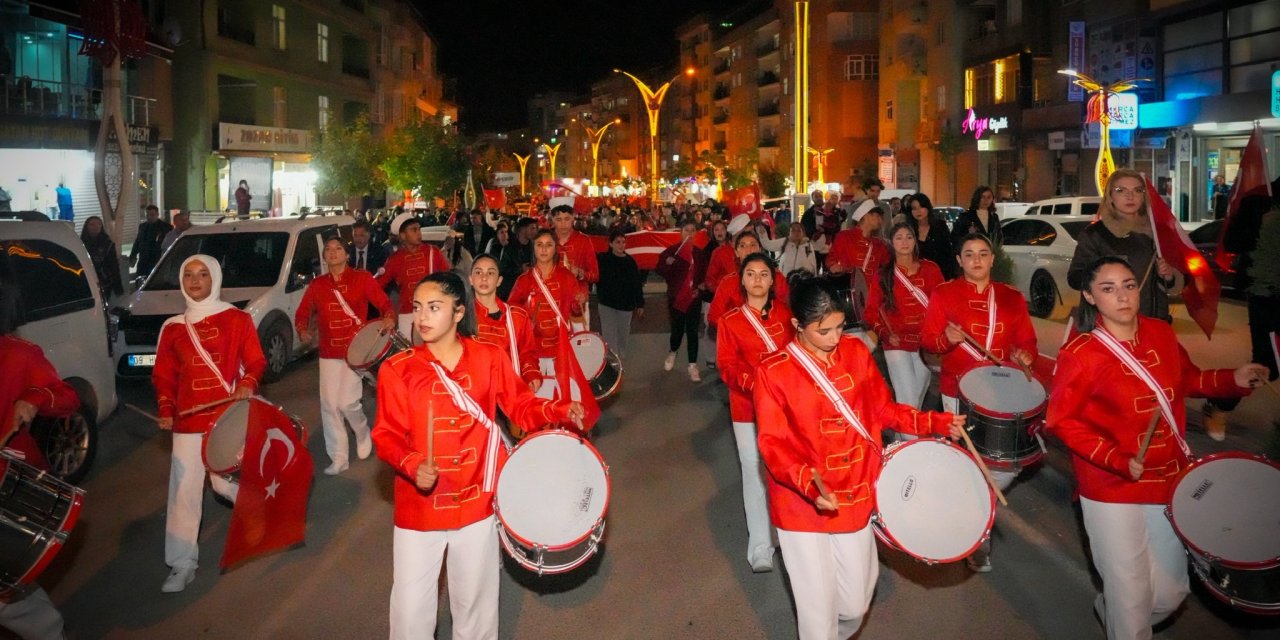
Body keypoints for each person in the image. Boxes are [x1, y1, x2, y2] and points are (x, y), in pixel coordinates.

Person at [1046, 256, 1266, 640]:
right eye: (1108, 288)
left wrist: (1233, 378)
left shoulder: (1160, 333)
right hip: (1110, 489)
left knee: (1170, 591)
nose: (1122, 296)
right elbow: (1061, 421)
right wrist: (1115, 459)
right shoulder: (1080, 354)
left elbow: (1189, 379)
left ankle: (1110, 609)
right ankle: (1122, 618)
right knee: (1131, 599)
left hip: (1167, 478)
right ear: (1090, 296)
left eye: (1129, 285)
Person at [372, 271, 585, 640]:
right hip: (419, 510)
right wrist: (410, 464)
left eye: (434, 308)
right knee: (409, 613)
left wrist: (559, 411)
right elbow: (386, 434)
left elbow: (521, 406)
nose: (422, 317)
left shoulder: (489, 357)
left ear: (458, 312)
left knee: (475, 608)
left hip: (477, 503)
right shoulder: (398, 368)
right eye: (418, 307)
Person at [754, 274, 965, 640]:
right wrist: (807, 481)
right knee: (817, 616)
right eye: (824, 331)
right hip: (801, 505)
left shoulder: (853, 352)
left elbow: (883, 409)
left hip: (855, 492)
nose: (835, 338)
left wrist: (934, 421)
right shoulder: (773, 371)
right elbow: (773, 443)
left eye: (839, 326)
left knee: (854, 605)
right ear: (796, 326)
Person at [920, 233, 1037, 573]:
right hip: (957, 391)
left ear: (992, 258)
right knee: (970, 458)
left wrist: (1023, 354)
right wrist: (947, 339)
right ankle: (978, 541)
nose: (976, 260)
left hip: (999, 393)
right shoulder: (944, 294)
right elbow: (929, 341)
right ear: (958, 260)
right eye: (969, 254)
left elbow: (1025, 340)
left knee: (1006, 465)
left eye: (983, 254)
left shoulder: (1012, 297)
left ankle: (966, 509)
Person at [152, 254, 266, 592]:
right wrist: (165, 407)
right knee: (184, 491)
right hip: (188, 420)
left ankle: (257, 503)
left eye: (203, 274)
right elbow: (163, 375)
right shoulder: (172, 327)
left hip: (225, 417)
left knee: (221, 482)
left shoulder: (237, 319)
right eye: (188, 274)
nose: (195, 280)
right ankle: (181, 563)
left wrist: (248, 383)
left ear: (215, 278)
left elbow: (256, 361)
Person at [716, 252, 794, 573]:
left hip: (785, 407)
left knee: (783, 471)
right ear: (742, 280)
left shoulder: (787, 316)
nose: (758, 280)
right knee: (752, 469)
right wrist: (754, 384)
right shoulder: (729, 321)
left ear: (772, 280)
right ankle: (760, 546)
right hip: (747, 408)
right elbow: (727, 365)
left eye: (764, 274)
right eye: (751, 274)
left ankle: (787, 536)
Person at [295, 236, 395, 475]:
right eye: (328, 250)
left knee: (347, 402)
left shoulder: (362, 279)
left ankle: (361, 432)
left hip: (356, 350)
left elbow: (384, 304)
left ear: (347, 254)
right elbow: (302, 312)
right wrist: (302, 329)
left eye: (338, 248)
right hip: (329, 352)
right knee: (329, 405)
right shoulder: (318, 285)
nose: (332, 253)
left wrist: (389, 316)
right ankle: (338, 457)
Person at [1067, 169, 1182, 324]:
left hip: (1155, 322)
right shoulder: (1096, 234)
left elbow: (1176, 279)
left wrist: (1168, 275)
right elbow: (1075, 277)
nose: (1130, 196)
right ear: (1110, 196)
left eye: (1137, 190)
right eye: (1121, 190)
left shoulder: (1157, 232)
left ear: (1144, 196)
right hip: (1112, 324)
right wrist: (1107, 279)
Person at [866, 223, 944, 412]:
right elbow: (870, 311)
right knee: (907, 401)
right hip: (896, 344)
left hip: (925, 346)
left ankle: (901, 438)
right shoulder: (883, 275)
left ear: (915, 241)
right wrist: (884, 333)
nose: (904, 242)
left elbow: (944, 304)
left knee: (915, 402)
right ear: (891, 243)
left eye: (909, 237)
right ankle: (909, 439)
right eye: (898, 238)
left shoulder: (930, 269)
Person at [507, 229, 584, 399]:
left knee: (566, 400)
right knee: (538, 403)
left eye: (548, 245)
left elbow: (575, 312)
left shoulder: (566, 277)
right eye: (539, 245)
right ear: (533, 248)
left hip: (562, 349)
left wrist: (578, 304)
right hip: (534, 352)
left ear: (555, 248)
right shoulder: (524, 280)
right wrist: (525, 321)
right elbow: (511, 311)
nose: (543, 249)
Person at [468, 254, 541, 389]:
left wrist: (531, 375)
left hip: (509, 393)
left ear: (499, 280)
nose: (484, 277)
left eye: (491, 273)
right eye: (478, 272)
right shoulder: (461, 317)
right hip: (474, 394)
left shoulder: (517, 316)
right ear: (471, 279)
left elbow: (527, 353)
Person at [377, 214, 451, 339]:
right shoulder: (395, 259)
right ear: (402, 236)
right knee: (411, 354)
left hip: (433, 311)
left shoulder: (433, 252)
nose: (419, 233)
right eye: (414, 230)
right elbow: (377, 287)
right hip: (407, 314)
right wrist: (387, 310)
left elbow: (448, 279)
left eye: (419, 229)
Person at [707, 231, 791, 331]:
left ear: (760, 249)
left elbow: (787, 309)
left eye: (753, 244)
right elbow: (714, 315)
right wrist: (737, 329)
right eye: (742, 246)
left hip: (772, 336)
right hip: (738, 338)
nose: (748, 250)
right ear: (736, 252)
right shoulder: (728, 282)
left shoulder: (776, 277)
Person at [655, 220, 703, 382]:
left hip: (694, 299)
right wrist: (668, 264)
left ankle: (692, 364)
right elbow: (659, 269)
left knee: (692, 331)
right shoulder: (672, 252)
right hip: (676, 298)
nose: (689, 233)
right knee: (677, 330)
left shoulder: (699, 253)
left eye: (692, 230)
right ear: (680, 232)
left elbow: (704, 276)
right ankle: (673, 352)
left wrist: (700, 288)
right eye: (686, 230)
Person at [595, 230, 645, 360]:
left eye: (623, 242)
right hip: (607, 304)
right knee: (609, 336)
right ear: (611, 244)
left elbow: (636, 284)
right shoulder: (602, 259)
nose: (621, 245)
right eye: (617, 242)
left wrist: (640, 303)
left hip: (626, 305)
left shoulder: (630, 262)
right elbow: (593, 274)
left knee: (623, 335)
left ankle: (620, 360)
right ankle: (613, 364)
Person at [550, 205, 598, 326]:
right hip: (551, 302)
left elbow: (595, 275)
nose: (563, 224)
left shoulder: (584, 241)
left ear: (573, 218)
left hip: (578, 303)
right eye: (559, 219)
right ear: (552, 220)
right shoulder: (546, 241)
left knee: (580, 342)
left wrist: (581, 273)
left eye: (567, 219)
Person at [825, 206, 888, 281]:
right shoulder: (844, 237)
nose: (881, 221)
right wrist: (833, 266)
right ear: (866, 215)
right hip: (848, 288)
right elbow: (831, 258)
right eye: (878, 216)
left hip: (873, 290)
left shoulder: (879, 244)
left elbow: (889, 265)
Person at [906, 193, 955, 280]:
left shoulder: (940, 227)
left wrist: (950, 277)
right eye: (914, 208)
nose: (918, 211)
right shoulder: (908, 229)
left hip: (939, 274)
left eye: (921, 207)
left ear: (928, 207)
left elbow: (948, 254)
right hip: (915, 276)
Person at [80, 215, 124, 300]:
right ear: (86, 227)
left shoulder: (108, 243)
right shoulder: (80, 244)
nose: (95, 227)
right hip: (86, 282)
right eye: (92, 224)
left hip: (104, 283)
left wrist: (118, 287)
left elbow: (114, 266)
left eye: (98, 224)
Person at [129, 205, 172, 278]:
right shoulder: (143, 226)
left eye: (152, 215)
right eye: (147, 215)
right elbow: (138, 242)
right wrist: (133, 255)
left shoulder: (165, 227)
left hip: (157, 260)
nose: (149, 217)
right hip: (143, 260)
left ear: (157, 214)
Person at [498, 218, 535, 300]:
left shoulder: (534, 246)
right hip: (511, 290)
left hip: (529, 290)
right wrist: (520, 269)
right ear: (523, 229)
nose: (534, 231)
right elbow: (502, 269)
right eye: (532, 228)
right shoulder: (509, 248)